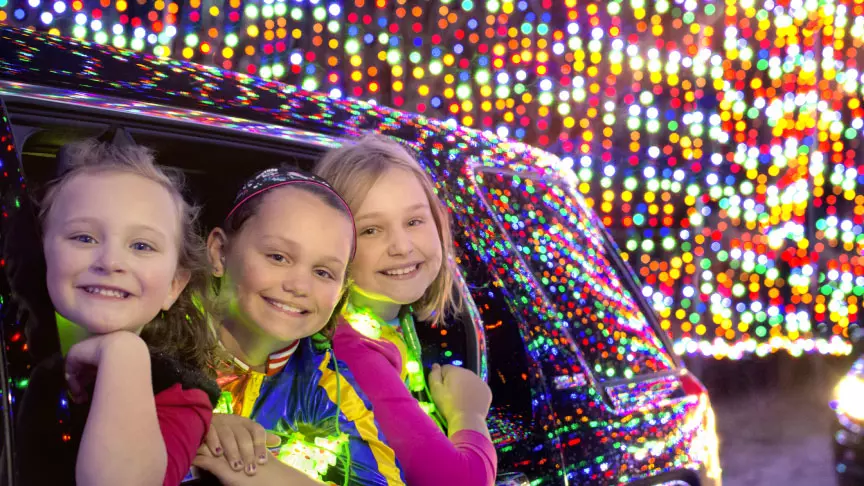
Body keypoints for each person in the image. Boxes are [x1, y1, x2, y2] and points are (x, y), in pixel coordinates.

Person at [15, 139, 220, 486]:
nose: (110, 262)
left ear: (174, 285)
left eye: (141, 246)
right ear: (42, 253)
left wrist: (123, 353)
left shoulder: (180, 398)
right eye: (83, 238)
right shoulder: (13, 352)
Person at [192, 167, 405, 486]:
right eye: (278, 257)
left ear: (341, 293)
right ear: (220, 253)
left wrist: (274, 477)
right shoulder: (156, 340)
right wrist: (191, 427)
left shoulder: (330, 389)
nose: (298, 285)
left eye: (323, 273)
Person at [315, 135, 497, 486]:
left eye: (414, 221)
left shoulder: (390, 321)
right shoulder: (347, 349)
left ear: (438, 223)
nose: (401, 246)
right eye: (370, 230)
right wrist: (468, 411)